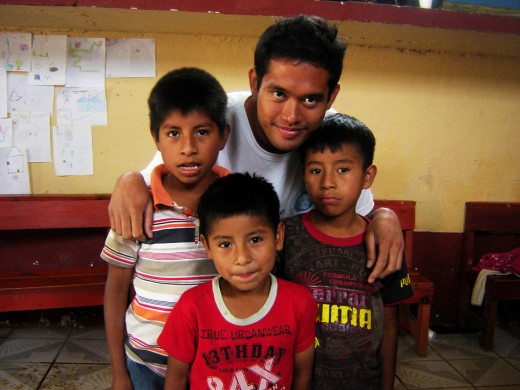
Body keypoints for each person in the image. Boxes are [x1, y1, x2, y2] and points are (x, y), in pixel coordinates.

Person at [107, 15, 405, 284]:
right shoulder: (209, 122)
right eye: (278, 93)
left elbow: (359, 215)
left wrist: (384, 217)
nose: (291, 116)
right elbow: (151, 183)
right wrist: (130, 179)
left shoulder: (331, 134)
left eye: (311, 100)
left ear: (331, 96)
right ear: (254, 81)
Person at [101, 67, 230, 389]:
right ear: (155, 137)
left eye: (202, 132)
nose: (187, 147)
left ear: (224, 135)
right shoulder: (136, 209)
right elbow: (116, 292)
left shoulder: (239, 204)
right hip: (146, 364)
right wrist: (119, 373)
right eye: (173, 133)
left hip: (215, 365)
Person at [280, 113, 414, 389]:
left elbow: (389, 326)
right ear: (302, 173)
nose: (328, 181)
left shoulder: (384, 243)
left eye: (342, 169)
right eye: (316, 170)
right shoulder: (286, 235)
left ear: (367, 176)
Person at [158, 173, 318, 389]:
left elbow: (302, 377)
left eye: (255, 240)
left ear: (278, 236)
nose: (242, 258)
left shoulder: (300, 302)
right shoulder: (191, 308)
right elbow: (175, 379)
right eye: (225, 244)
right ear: (207, 247)